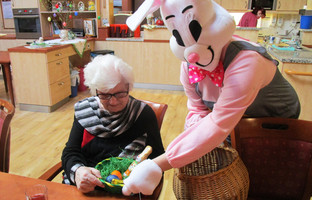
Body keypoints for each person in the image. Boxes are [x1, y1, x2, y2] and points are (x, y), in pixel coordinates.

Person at [123, 0, 300, 196]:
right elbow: (197, 110)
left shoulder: (247, 61)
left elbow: (218, 123)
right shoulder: (188, 64)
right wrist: (193, 147)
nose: (193, 59)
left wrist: (158, 164)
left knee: (262, 180)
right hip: (234, 122)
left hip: (273, 121)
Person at [61, 54, 165, 193]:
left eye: (121, 93)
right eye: (105, 95)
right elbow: (71, 151)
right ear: (95, 90)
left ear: (129, 87)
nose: (113, 102)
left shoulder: (142, 114)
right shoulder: (85, 111)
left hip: (126, 189)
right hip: (87, 188)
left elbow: (157, 158)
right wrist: (78, 172)